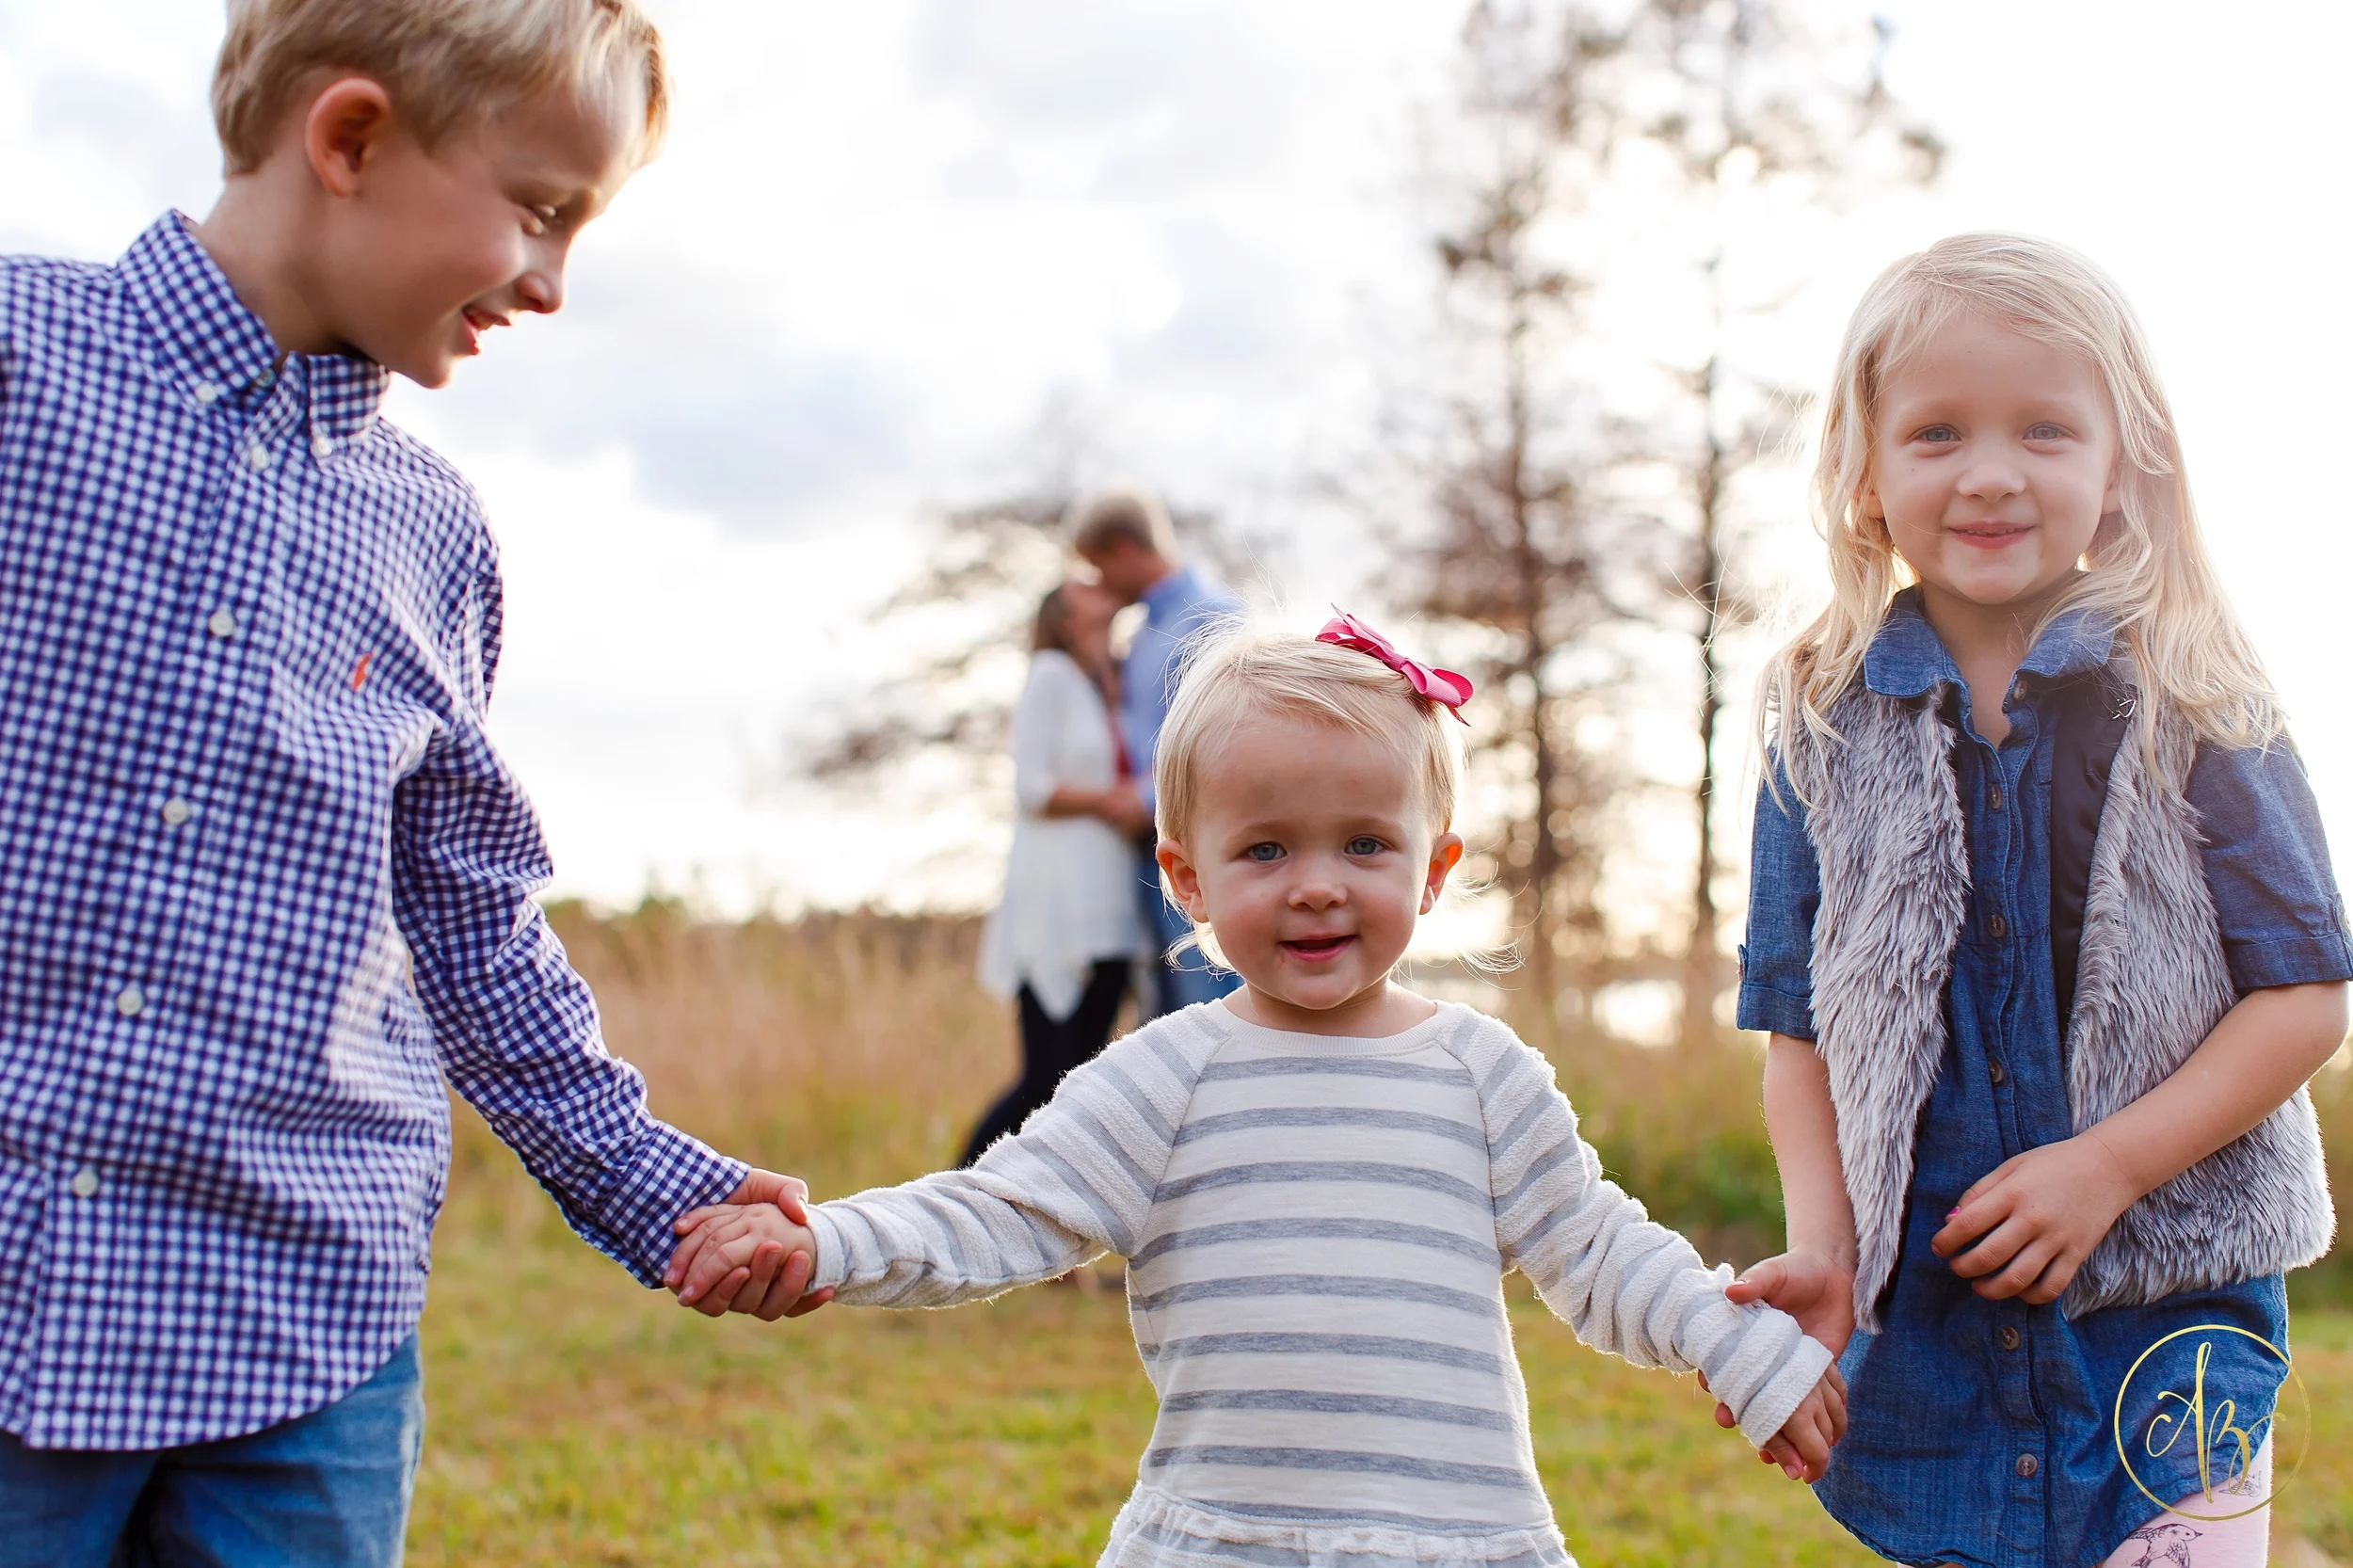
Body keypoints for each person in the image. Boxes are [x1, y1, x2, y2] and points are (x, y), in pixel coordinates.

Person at [0, 5, 813, 1561]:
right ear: (352, 138)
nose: (553, 282)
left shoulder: (434, 533)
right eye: (540, 209)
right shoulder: (23, 367)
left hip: (308, 1330)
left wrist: (654, 1183)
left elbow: (468, 923)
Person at [666, 616, 1846, 1566]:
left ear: (1435, 868)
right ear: (1188, 877)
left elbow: (1597, 1250)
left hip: (1451, 1534)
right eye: (1266, 849)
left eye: (1365, 844)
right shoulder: (1166, 1076)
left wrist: (1732, 1344)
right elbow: (1001, 1208)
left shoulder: (1481, 1074)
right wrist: (828, 1241)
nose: (1316, 886)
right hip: (1226, 1535)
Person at [1724, 233, 2349, 1567]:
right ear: (1865, 472)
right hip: (1934, 1327)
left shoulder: (2198, 686)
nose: (1992, 471)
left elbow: (2304, 994)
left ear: (2122, 464)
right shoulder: (1816, 720)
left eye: (2045, 429)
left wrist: (2104, 1166)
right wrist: (1825, 1250)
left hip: (2167, 1312)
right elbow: (1797, 1029)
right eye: (1938, 432)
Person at [964, 582, 1150, 1167]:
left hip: (1108, 906)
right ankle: (952, 1191)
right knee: (1044, 1082)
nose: (1102, 588)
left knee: (1080, 1082)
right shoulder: (1049, 674)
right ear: (1067, 619)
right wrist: (1114, 800)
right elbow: (1032, 787)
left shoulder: (1103, 684)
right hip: (1058, 906)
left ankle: (1057, 1222)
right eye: (1085, 588)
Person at [1069, 486, 1242, 1016]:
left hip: (1197, 839)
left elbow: (1230, 732)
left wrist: (1145, 798)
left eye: (1098, 566)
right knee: (1164, 1013)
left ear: (1122, 549)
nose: (1098, 581)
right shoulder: (1142, 633)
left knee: (1207, 1002)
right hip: (1148, 847)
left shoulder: (1212, 617)